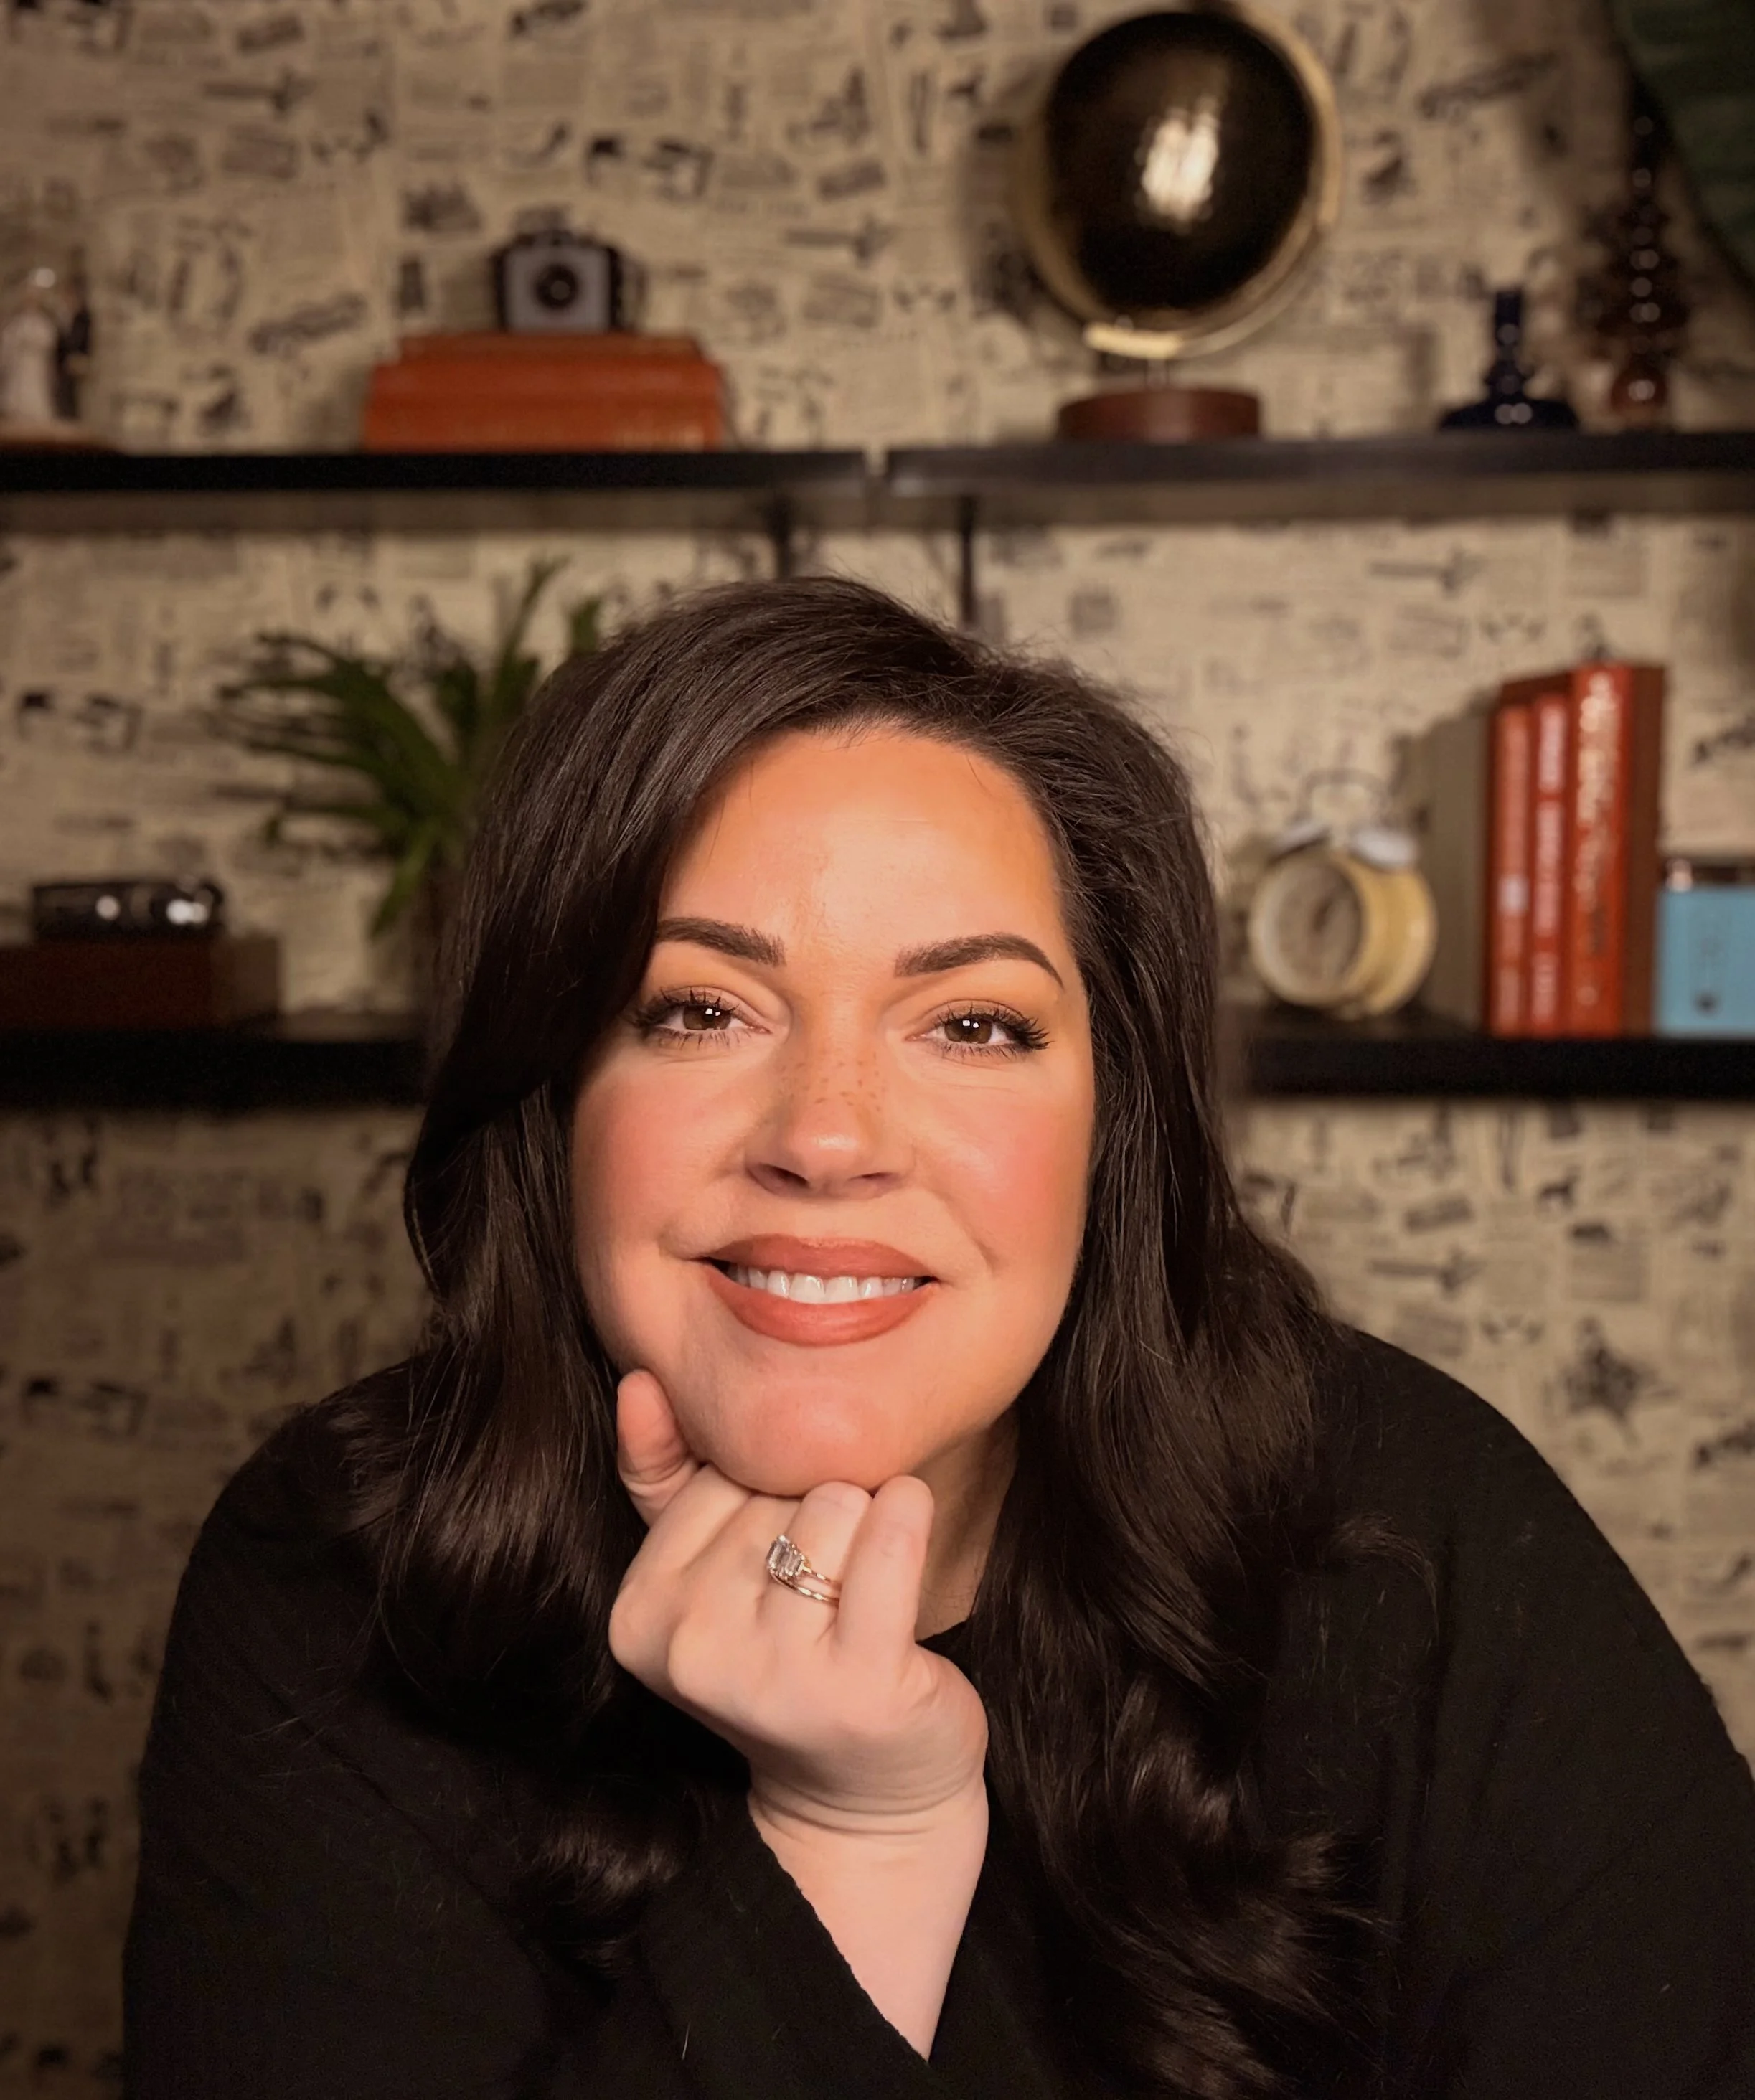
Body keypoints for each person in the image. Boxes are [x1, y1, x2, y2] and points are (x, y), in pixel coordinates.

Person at [123, 576, 1755, 2099]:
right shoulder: (331, 1574)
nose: (827, 1138)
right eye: (700, 1008)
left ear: (1113, 1129)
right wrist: (850, 1850)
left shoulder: (1420, 1538)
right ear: (556, 1093)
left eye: (972, 1022)